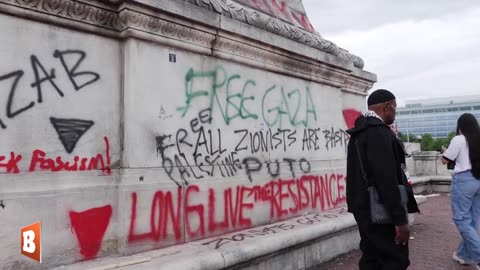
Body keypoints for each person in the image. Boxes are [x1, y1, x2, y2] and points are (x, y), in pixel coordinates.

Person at [346, 89, 419, 270]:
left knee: (371, 258)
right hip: (380, 209)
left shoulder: (359, 132)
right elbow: (386, 179)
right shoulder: (378, 133)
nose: (395, 112)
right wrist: (400, 220)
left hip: (363, 207)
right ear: (387, 106)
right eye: (394, 107)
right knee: (394, 260)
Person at [440, 113, 480, 269]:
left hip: (464, 180)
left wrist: (444, 150)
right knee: (472, 219)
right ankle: (464, 255)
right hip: (478, 179)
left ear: (460, 126)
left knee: (461, 219)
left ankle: (477, 254)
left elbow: (445, 160)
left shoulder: (459, 139)